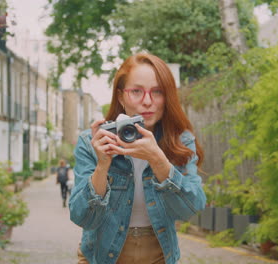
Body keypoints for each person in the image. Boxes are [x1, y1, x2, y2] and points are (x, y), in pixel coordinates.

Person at [69, 53, 206, 264]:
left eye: (157, 92)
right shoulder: (93, 141)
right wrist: (102, 165)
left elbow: (191, 208)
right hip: (101, 257)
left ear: (167, 96)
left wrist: (158, 159)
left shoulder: (179, 141)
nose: (148, 101)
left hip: (159, 256)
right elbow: (83, 217)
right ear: (121, 96)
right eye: (136, 91)